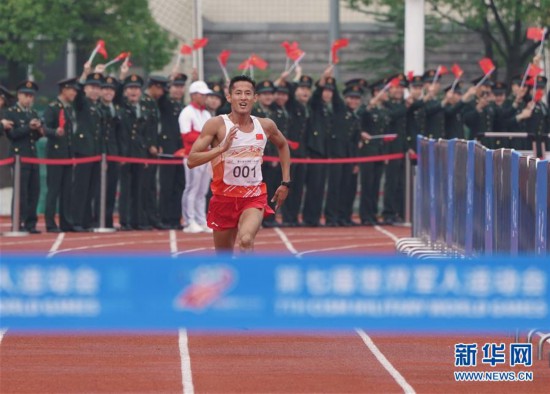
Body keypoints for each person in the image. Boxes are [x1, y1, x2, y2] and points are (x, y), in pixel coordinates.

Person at [187, 75, 291, 253]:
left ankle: (248, 280)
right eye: (238, 93)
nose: (243, 97)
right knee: (223, 257)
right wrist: (221, 148)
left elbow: (283, 145)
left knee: (245, 240)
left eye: (248, 93)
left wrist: (285, 182)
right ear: (229, 97)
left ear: (254, 98)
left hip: (253, 198)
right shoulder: (216, 125)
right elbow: (192, 160)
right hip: (223, 198)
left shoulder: (265, 125)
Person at [4, 80, 43, 233]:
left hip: (32, 156)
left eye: (31, 96)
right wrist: (28, 127)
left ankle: (31, 223)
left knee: (34, 190)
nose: (29, 99)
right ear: (19, 96)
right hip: (19, 156)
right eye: (26, 95)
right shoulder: (11, 112)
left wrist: (39, 131)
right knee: (21, 192)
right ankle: (18, 221)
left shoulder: (33, 113)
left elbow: (35, 137)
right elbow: (12, 134)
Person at [42, 77, 78, 232]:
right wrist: (54, 132)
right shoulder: (52, 107)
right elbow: (44, 128)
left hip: (68, 155)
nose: (74, 93)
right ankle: (50, 223)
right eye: (72, 90)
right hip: (56, 155)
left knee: (67, 191)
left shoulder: (69, 108)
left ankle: (66, 222)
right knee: (54, 190)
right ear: (64, 90)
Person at [179, 80, 214, 233]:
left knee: (202, 191)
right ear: (193, 95)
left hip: (206, 156)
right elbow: (186, 135)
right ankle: (189, 221)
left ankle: (201, 219)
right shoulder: (186, 112)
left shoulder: (206, 113)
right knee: (192, 188)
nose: (206, 97)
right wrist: (206, 137)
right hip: (193, 156)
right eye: (202, 94)